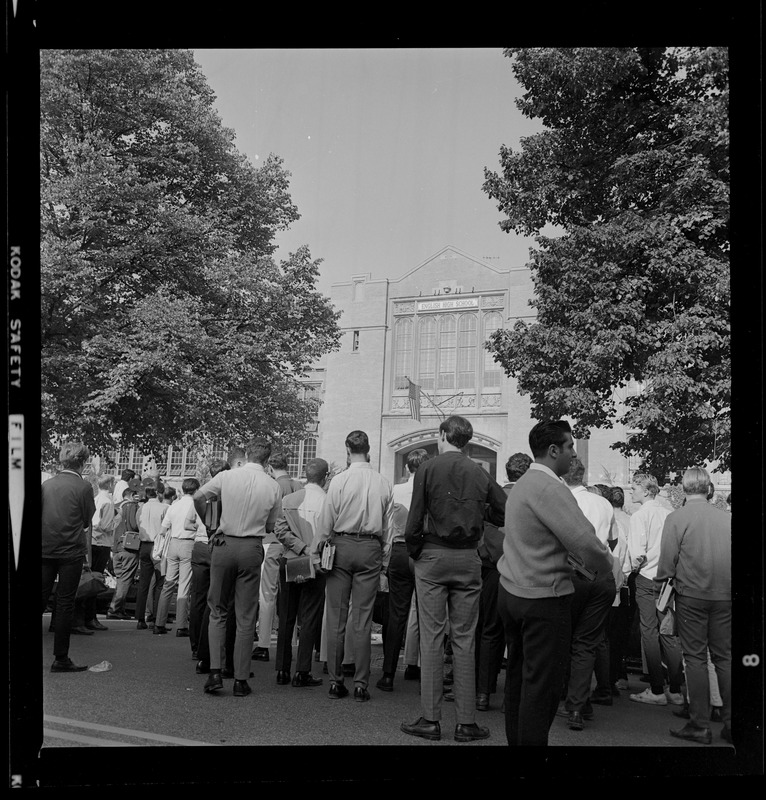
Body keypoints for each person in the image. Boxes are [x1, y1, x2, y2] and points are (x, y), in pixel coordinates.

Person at [496, 420, 613, 746]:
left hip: (513, 592)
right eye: (570, 446)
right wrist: (607, 567)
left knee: (518, 679)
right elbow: (586, 543)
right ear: (553, 450)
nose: (573, 453)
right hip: (542, 599)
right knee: (542, 689)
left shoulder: (522, 484)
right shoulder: (550, 488)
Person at [401, 415, 506, 743]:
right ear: (467, 440)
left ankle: (431, 719)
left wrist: (416, 550)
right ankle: (466, 722)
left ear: (443, 435)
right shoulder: (478, 471)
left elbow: (415, 517)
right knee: (464, 638)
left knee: (431, 638)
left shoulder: (428, 469)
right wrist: (478, 514)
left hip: (433, 555)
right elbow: (503, 511)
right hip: (467, 558)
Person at [194, 438, 282, 698]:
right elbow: (270, 526)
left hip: (224, 543)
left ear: (247, 454)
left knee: (217, 610)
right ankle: (241, 679)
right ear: (267, 460)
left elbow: (199, 496)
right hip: (252, 547)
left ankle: (215, 671)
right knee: (245, 615)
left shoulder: (228, 476)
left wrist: (210, 522)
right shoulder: (273, 486)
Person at [311, 430, 393, 702]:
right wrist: (384, 558)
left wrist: (317, 550)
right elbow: (389, 527)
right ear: (368, 450)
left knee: (336, 616)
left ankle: (336, 681)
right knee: (363, 619)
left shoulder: (340, 481)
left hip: (341, 546)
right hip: (370, 546)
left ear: (348, 450)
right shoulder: (383, 482)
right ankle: (361, 684)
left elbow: (327, 519)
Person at [657, 467, 732, 745]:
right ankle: (731, 722)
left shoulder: (677, 518)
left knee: (696, 659)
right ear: (709, 488)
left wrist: (659, 593)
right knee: (724, 658)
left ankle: (699, 723)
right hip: (724, 596)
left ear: (684, 487)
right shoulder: (726, 519)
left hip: (691, 595)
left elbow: (666, 563)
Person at [557, 458, 618, 731]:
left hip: (572, 572)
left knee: (565, 638)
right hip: (601, 575)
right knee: (586, 642)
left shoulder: (561, 501)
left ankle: (572, 699)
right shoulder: (603, 503)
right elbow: (613, 539)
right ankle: (578, 704)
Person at [475, 452, 532, 712]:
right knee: (520, 635)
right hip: (522, 570)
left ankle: (483, 692)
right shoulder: (531, 496)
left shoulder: (494, 497)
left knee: (490, 630)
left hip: (493, 568)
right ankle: (515, 694)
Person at [627, 472, 685, 706]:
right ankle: (675, 688)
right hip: (668, 579)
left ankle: (656, 688)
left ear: (646, 491)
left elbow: (637, 553)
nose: (632, 491)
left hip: (647, 578)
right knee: (668, 631)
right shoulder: (668, 513)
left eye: (635, 488)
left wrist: (633, 567)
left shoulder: (639, 516)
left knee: (648, 632)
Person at [376, 448, 430, 693]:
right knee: (425, 612)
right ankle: (420, 669)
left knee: (397, 612)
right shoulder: (430, 490)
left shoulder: (396, 491)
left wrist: (384, 559)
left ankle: (388, 673)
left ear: (407, 468)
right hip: (424, 551)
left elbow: (387, 527)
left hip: (399, 549)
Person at [273, 457, 330, 687]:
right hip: (315, 563)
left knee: (286, 616)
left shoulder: (288, 499)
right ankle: (303, 670)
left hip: (290, 559)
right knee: (310, 617)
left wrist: (298, 546)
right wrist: (310, 549)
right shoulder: (329, 502)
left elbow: (279, 529)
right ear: (325, 477)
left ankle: (282, 669)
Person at [41, 441, 96, 672]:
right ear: (82, 462)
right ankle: (60, 657)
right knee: (64, 603)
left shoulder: (47, 484)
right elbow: (86, 520)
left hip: (45, 547)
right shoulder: (83, 487)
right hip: (71, 550)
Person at [252, 451, 302, 662]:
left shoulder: (271, 486)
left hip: (271, 542)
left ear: (270, 468)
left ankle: (263, 643)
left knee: (268, 594)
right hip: (295, 546)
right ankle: (292, 643)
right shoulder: (299, 487)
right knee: (291, 596)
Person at [592, 486, 633, 699]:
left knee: (601, 636)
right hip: (618, 583)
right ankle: (611, 680)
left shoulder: (612, 523)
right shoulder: (625, 521)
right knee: (612, 636)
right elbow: (626, 556)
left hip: (606, 580)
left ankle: (605, 683)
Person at [189, 458, 230, 661]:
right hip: (215, 546)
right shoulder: (222, 497)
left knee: (198, 597)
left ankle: (196, 644)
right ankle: (208, 648)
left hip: (198, 546)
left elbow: (190, 519)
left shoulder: (203, 493)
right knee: (215, 599)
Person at [154, 478, 203, 636]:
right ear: (196, 489)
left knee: (168, 584)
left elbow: (162, 530)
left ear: (182, 489)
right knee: (184, 585)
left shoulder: (174, 506)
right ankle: (181, 625)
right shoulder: (196, 504)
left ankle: (159, 622)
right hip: (188, 543)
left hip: (173, 543)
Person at [83, 473, 118, 631]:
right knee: (96, 581)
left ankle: (88, 616)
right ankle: (91, 617)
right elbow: (105, 525)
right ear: (110, 485)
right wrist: (117, 520)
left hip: (93, 542)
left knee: (90, 579)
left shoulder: (97, 498)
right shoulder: (108, 502)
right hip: (102, 543)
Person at [133, 485, 168, 630]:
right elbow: (166, 527)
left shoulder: (141, 508)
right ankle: (156, 618)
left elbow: (137, 524)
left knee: (144, 583)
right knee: (160, 583)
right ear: (158, 494)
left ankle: (140, 618)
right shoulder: (164, 508)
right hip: (157, 545)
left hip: (144, 545)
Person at [107, 487, 142, 620]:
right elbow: (134, 525)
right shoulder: (132, 506)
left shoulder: (115, 506)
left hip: (115, 547)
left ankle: (119, 609)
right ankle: (114, 608)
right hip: (129, 547)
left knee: (120, 579)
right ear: (132, 495)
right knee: (125, 579)